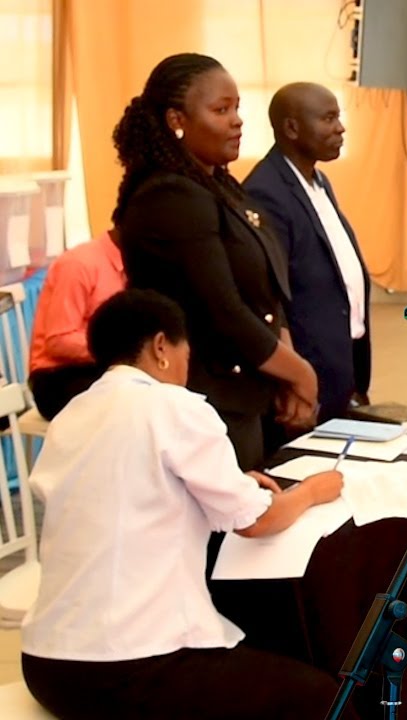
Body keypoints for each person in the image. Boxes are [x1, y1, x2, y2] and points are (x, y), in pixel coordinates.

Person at [20, 289, 353, 720]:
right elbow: (258, 520)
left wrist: (234, 482)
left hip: (46, 665)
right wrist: (311, 491)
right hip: (129, 664)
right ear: (161, 346)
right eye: (186, 354)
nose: (185, 368)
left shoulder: (71, 415)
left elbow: (131, 488)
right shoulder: (172, 404)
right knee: (322, 698)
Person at [113, 52, 318, 470]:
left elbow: (263, 289)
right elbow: (223, 309)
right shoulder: (170, 195)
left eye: (237, 108)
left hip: (244, 391)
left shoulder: (218, 185)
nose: (237, 121)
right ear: (177, 120)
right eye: (221, 110)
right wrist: (300, 373)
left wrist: (283, 365)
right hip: (202, 400)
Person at [244, 82, 371, 422]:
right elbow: (269, 293)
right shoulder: (266, 192)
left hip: (341, 357)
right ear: (291, 128)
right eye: (328, 118)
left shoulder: (318, 180)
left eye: (339, 117)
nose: (340, 128)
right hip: (306, 369)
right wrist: (291, 377)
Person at [26, 223, 126, 419]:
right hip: (57, 376)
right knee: (130, 403)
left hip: (105, 368)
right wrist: (117, 350)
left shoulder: (136, 263)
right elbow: (59, 340)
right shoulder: (79, 264)